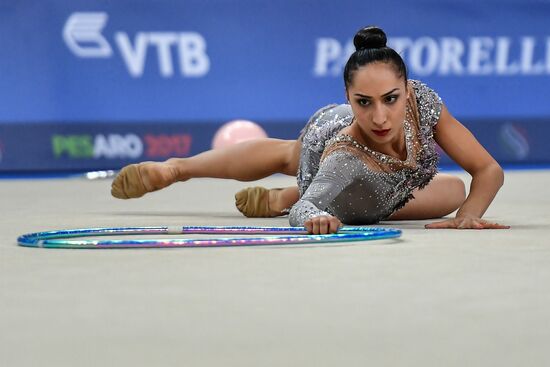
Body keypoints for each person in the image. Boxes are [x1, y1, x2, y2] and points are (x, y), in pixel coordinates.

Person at [111, 26, 509, 234]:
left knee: (455, 192)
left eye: (391, 98)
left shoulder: (424, 104)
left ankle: (286, 193)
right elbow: (304, 214)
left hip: (391, 184)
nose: (381, 117)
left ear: (407, 89)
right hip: (335, 153)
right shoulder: (343, 153)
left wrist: (469, 216)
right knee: (293, 155)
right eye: (364, 102)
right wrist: (311, 214)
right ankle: (177, 168)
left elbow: (487, 169)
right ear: (348, 98)